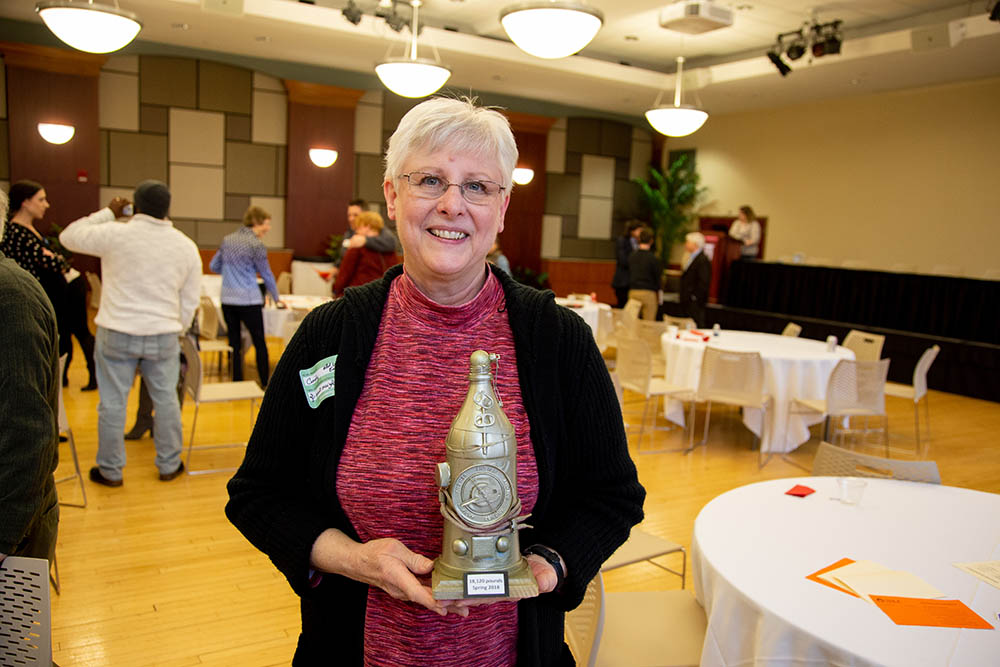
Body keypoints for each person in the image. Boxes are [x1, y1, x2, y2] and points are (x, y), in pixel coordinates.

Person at [226, 97, 644, 666]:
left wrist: (544, 569)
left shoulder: (557, 339)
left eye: (477, 187)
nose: (452, 205)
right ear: (393, 197)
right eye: (430, 180)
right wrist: (354, 559)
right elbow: (258, 494)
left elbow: (612, 496)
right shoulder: (331, 335)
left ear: (501, 209)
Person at [60, 180, 201, 486]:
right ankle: (168, 464)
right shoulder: (185, 245)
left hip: (116, 331)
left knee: (112, 402)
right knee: (166, 402)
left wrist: (108, 213)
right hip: (162, 332)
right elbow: (190, 299)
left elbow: (68, 236)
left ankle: (110, 470)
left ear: (134, 206)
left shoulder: (115, 233)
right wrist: (176, 328)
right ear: (167, 208)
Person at [0, 188, 61, 568]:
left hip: (14, 528)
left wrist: (4, 533)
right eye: (41, 198)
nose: (47, 204)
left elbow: (28, 432)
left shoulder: (11, 298)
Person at [1, 180, 97, 390]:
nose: (46, 204)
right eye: (41, 199)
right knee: (63, 335)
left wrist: (55, 260)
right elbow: (53, 262)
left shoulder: (29, 230)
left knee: (76, 333)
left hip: (62, 292)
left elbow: (57, 261)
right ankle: (59, 380)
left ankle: (75, 378)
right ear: (25, 202)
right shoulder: (15, 232)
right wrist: (55, 260)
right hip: (44, 296)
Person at [209, 205, 284, 387]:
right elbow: (266, 274)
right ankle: (265, 381)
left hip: (227, 299)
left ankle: (236, 380)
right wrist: (276, 298)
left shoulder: (228, 240)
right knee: (259, 341)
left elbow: (213, 266)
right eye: (267, 224)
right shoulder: (256, 245)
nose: (268, 228)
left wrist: (231, 273)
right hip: (249, 299)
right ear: (257, 223)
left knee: (234, 341)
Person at [331, 210, 398, 296]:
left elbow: (345, 273)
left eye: (358, 227)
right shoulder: (390, 249)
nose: (356, 231)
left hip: (358, 295)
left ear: (367, 226)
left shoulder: (357, 246)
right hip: (384, 296)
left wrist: (336, 290)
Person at [627, 226, 662, 321]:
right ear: (651, 241)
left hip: (633, 292)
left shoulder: (632, 256)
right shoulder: (653, 258)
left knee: (631, 322)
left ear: (638, 239)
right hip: (648, 293)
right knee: (648, 323)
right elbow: (657, 278)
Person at [680, 231, 712, 328]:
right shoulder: (690, 257)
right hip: (687, 299)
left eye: (688, 242)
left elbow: (704, 281)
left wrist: (695, 296)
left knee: (697, 324)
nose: (686, 244)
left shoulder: (702, 260)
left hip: (695, 301)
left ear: (695, 244)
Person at [611, 221, 642, 308]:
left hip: (633, 282)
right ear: (632, 231)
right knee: (622, 306)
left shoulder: (640, 243)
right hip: (623, 281)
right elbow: (622, 260)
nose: (640, 233)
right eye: (639, 230)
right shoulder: (622, 241)